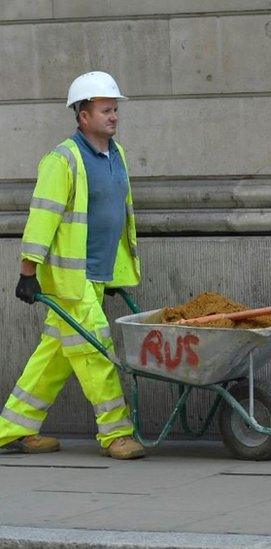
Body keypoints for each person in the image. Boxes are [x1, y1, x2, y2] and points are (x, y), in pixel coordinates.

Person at [0, 71, 145, 460]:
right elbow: (42, 218)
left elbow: (113, 218)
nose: (113, 117)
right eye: (105, 110)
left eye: (115, 109)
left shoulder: (117, 155)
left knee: (55, 356)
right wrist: (28, 273)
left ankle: (12, 430)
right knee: (97, 350)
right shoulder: (62, 159)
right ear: (82, 115)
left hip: (96, 274)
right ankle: (116, 434)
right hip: (70, 279)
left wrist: (115, 273)